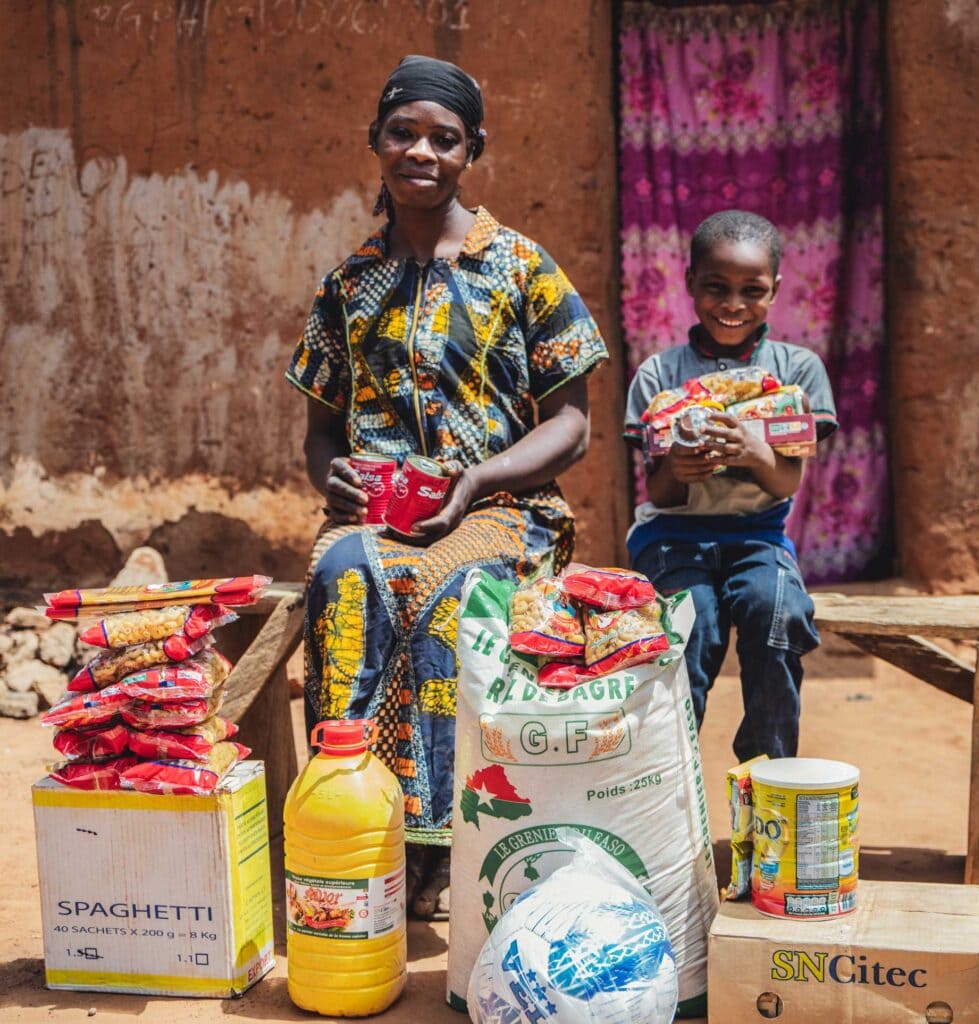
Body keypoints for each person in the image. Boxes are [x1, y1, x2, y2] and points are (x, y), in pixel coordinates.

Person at [285, 55, 607, 919]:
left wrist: (477, 481)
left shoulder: (523, 269)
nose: (420, 151)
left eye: (444, 138)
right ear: (376, 142)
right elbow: (319, 437)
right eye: (403, 133)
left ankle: (442, 844)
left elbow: (570, 422)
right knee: (344, 582)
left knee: (454, 596)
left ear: (473, 151)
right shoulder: (347, 288)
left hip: (503, 508)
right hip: (379, 516)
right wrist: (337, 481)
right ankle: (351, 828)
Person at [623, 209, 838, 763]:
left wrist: (756, 453)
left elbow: (788, 479)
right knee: (689, 629)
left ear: (776, 291)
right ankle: (669, 774)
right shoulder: (659, 376)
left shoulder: (797, 372)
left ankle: (768, 764)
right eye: (716, 287)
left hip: (758, 535)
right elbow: (659, 493)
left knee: (777, 613)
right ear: (690, 281)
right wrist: (679, 469)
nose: (733, 305)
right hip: (674, 536)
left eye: (752, 290)